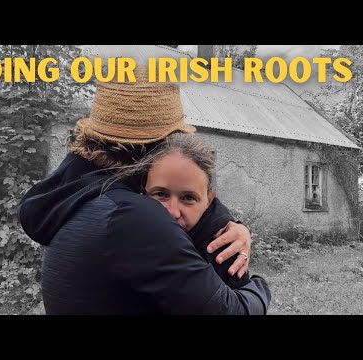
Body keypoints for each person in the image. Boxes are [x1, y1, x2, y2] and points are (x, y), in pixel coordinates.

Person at [17, 65, 271, 314]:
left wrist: (227, 223)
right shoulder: (131, 215)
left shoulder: (77, 197)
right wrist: (260, 286)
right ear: (162, 143)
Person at [116, 131, 250, 289]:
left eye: (188, 198)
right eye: (161, 194)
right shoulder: (121, 231)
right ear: (143, 192)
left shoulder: (224, 255)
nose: (173, 212)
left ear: (209, 201)